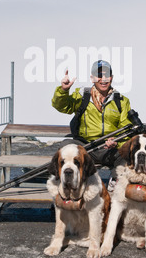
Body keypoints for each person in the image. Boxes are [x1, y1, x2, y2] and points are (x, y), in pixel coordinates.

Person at [51, 60, 133, 191]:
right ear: (92, 78)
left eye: (107, 75)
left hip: (110, 148)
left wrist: (117, 143)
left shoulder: (121, 101)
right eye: (99, 75)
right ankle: (68, 185)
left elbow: (127, 129)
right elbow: (62, 106)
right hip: (86, 147)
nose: (103, 79)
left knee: (128, 152)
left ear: (111, 77)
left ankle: (115, 185)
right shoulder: (83, 95)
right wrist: (63, 90)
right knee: (66, 145)